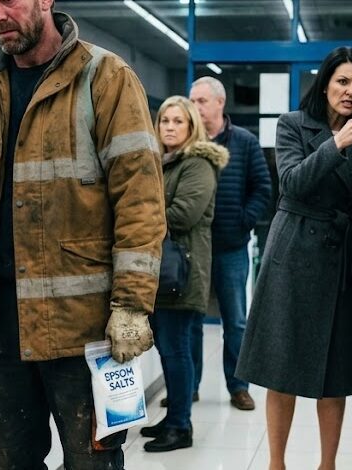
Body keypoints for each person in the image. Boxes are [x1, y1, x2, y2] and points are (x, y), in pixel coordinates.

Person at [0, 0, 166, 468]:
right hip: (0, 328)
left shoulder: (105, 78)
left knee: (92, 462)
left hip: (85, 329)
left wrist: (132, 306)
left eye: (8, 1)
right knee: (8, 462)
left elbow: (140, 203)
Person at [236, 46, 352, 470]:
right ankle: (276, 463)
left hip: (341, 261)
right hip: (294, 254)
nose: (350, 91)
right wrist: (336, 144)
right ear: (325, 83)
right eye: (342, 81)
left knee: (335, 375)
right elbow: (293, 183)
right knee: (281, 368)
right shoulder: (293, 124)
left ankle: (327, 464)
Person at [139, 96, 228, 453]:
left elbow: (182, 215)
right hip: (162, 274)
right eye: (165, 120)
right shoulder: (161, 162)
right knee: (168, 349)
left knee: (176, 351)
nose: (170, 127)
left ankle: (180, 426)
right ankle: (173, 417)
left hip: (184, 273)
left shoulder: (198, 164)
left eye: (178, 121)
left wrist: (138, 213)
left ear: (192, 127)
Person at [185, 76, 272, 411]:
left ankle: (238, 387)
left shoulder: (244, 142)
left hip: (230, 247)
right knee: (191, 321)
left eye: (201, 101)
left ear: (220, 103)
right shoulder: (186, 141)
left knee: (235, 321)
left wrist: (242, 221)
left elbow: (262, 189)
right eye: (192, 100)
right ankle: (188, 386)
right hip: (192, 249)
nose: (195, 107)